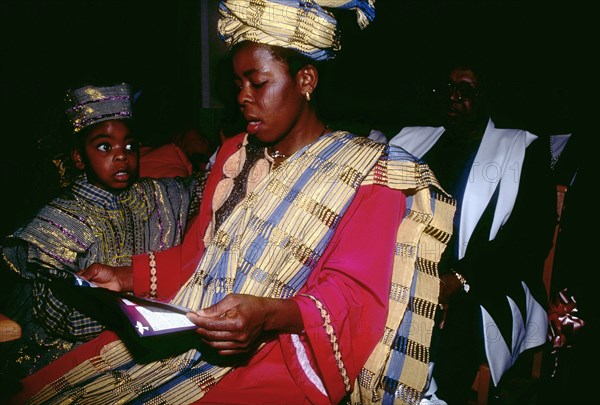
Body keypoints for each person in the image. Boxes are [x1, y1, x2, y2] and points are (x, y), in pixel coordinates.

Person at [11, 2, 456, 404]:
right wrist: (124, 278)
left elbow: (352, 299)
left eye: (258, 82)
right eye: (237, 82)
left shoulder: (368, 173)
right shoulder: (233, 156)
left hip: (282, 358)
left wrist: (267, 316)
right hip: (202, 339)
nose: (243, 96)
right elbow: (203, 261)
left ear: (306, 80)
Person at [0, 82, 204, 393]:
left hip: (143, 341)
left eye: (130, 146)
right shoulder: (59, 219)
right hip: (63, 351)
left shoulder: (157, 195)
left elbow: (204, 187)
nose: (121, 156)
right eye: (105, 147)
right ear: (79, 158)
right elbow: (56, 315)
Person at [389, 59, 557, 404]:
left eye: (465, 90)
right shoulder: (412, 141)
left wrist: (458, 278)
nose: (453, 98)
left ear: (487, 96)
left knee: (453, 324)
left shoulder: (522, 149)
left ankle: (436, 396)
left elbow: (529, 239)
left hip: (486, 278)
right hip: (407, 270)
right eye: (448, 89)